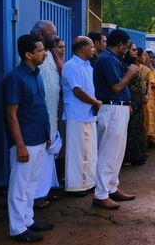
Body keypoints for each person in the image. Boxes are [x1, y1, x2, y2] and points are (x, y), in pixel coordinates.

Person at [4, 34, 53, 242]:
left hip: (39, 138)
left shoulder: (36, 74)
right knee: (19, 185)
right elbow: (11, 113)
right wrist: (20, 144)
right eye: (40, 50)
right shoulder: (16, 78)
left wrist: (47, 135)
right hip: (25, 142)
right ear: (28, 54)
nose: (45, 53)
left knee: (31, 183)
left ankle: (28, 220)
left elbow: (40, 106)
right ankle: (17, 228)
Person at [92, 29, 139, 210]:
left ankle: (112, 187)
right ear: (120, 44)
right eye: (125, 46)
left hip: (117, 108)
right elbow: (116, 87)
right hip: (111, 108)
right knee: (108, 153)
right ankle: (101, 194)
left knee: (117, 153)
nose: (126, 49)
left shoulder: (111, 59)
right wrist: (130, 73)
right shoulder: (107, 60)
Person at [62, 36, 101, 197]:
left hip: (88, 114)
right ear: (83, 48)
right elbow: (77, 91)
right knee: (77, 152)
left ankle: (89, 182)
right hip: (77, 115)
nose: (94, 49)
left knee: (90, 151)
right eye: (92, 46)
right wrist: (96, 103)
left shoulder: (87, 66)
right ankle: (76, 185)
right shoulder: (71, 66)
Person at [30, 21, 61, 208]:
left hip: (51, 114)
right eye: (53, 34)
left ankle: (45, 191)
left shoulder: (49, 54)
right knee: (37, 161)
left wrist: (56, 54)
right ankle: (35, 197)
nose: (56, 37)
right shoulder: (33, 54)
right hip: (39, 116)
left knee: (48, 158)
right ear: (41, 34)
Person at [123, 46, 147, 165]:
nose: (135, 51)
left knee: (138, 128)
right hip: (130, 101)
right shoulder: (124, 66)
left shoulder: (134, 65)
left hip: (138, 101)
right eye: (132, 49)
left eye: (136, 50)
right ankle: (129, 157)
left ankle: (139, 155)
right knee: (131, 129)